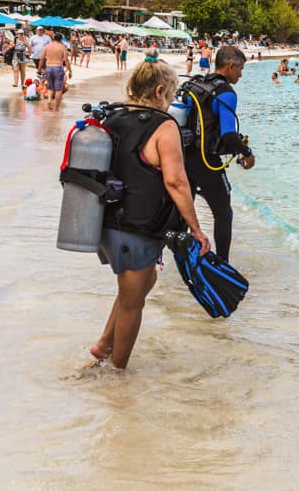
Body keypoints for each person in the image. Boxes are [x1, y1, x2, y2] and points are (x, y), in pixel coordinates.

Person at [91, 51, 211, 369]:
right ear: (160, 91)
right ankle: (117, 376)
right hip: (135, 230)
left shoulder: (113, 117)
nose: (171, 103)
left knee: (145, 283)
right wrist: (196, 229)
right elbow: (176, 182)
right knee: (132, 304)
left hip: (105, 224)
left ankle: (104, 345)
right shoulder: (164, 126)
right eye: (170, 96)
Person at [182, 45, 254, 261]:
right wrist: (247, 153)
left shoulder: (196, 84)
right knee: (223, 213)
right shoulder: (226, 93)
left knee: (183, 210)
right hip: (206, 160)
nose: (241, 74)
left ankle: (177, 254)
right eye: (240, 69)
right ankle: (223, 263)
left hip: (183, 157)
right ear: (230, 66)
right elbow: (229, 135)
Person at [40, 32, 72, 112]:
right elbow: (66, 60)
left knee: (50, 87)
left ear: (53, 39)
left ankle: (49, 102)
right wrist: (70, 70)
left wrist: (39, 68)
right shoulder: (62, 47)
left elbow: (42, 58)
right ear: (61, 39)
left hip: (48, 67)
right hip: (57, 67)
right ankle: (56, 108)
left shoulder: (47, 46)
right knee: (59, 89)